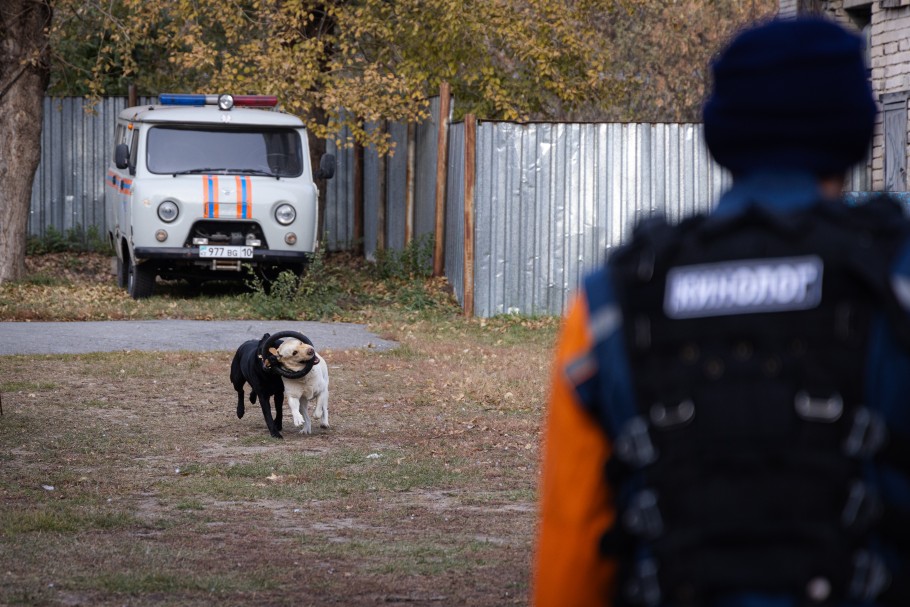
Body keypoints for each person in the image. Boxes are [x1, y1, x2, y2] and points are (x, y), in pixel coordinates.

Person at [533, 17, 910, 607]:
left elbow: (568, 572)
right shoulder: (897, 281)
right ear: (858, 129)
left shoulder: (611, 303)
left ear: (721, 132)